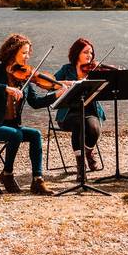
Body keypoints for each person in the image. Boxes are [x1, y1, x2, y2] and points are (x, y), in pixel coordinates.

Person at [0, 33, 70, 196]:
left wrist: (55, 95)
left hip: (11, 126)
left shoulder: (25, 77)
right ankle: (7, 174)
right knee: (16, 135)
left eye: (28, 53)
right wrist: (6, 88)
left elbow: (35, 103)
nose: (27, 57)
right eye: (24, 53)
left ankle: (37, 181)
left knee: (35, 134)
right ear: (12, 52)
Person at [54, 38, 107, 180]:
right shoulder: (67, 69)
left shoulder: (94, 70)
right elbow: (51, 82)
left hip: (90, 111)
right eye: (85, 52)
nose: (89, 55)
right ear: (77, 53)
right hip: (67, 114)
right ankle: (80, 166)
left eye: (91, 52)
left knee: (94, 129)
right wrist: (68, 83)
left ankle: (88, 152)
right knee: (79, 123)